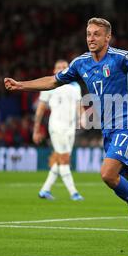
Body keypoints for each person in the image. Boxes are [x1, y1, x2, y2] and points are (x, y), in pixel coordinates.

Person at [4, 17, 128, 248]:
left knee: (108, 173)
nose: (91, 38)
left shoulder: (120, 57)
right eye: (88, 34)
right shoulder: (81, 63)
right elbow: (52, 81)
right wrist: (21, 85)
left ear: (108, 37)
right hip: (108, 129)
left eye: (96, 34)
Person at [34, 59, 84, 201]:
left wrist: (82, 117)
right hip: (57, 127)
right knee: (64, 158)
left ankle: (44, 190)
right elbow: (40, 109)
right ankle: (74, 193)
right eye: (59, 67)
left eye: (64, 67)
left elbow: (79, 106)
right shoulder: (49, 86)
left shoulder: (75, 86)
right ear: (54, 70)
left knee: (59, 159)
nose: (62, 69)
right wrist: (36, 129)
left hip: (70, 129)